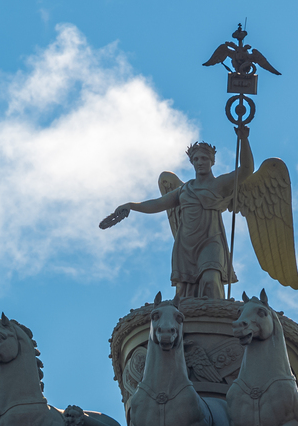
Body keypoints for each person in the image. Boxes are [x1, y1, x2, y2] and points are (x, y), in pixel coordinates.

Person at [103, 125, 254, 300]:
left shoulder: (220, 184)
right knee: (183, 292)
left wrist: (243, 139)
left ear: (212, 161)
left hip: (211, 239)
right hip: (186, 243)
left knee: (211, 279)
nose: (200, 162)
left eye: (204, 158)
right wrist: (131, 205)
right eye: (196, 159)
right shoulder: (184, 189)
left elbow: (246, 170)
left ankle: (215, 319)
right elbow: (158, 204)